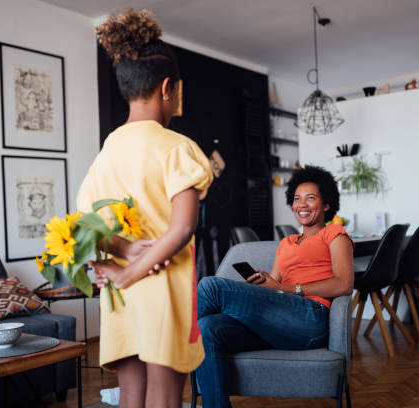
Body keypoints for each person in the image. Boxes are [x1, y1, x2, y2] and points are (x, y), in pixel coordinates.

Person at [77, 9, 213, 408]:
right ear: (167, 88)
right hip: (163, 292)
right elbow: (183, 227)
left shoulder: (107, 152)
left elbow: (86, 226)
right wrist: (131, 273)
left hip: (120, 297)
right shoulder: (177, 147)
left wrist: (121, 256)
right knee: (167, 397)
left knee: (131, 395)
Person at [195, 165, 354, 407]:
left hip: (310, 320)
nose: (302, 205)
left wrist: (291, 289)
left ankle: (166, 352)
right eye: (297, 199)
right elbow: (274, 284)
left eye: (311, 198)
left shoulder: (334, 234)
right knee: (208, 326)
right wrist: (265, 282)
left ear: (326, 204)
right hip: (277, 322)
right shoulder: (286, 243)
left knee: (210, 287)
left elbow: (344, 284)